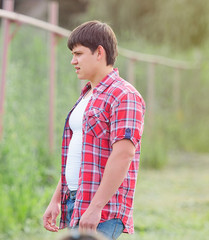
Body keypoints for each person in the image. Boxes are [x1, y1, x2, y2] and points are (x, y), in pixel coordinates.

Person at [42, 20, 145, 240]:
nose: (73, 61)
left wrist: (96, 207)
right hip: (75, 200)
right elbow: (78, 152)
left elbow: (124, 154)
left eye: (78, 54)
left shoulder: (124, 95)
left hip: (102, 208)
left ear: (99, 52)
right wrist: (57, 199)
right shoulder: (87, 95)